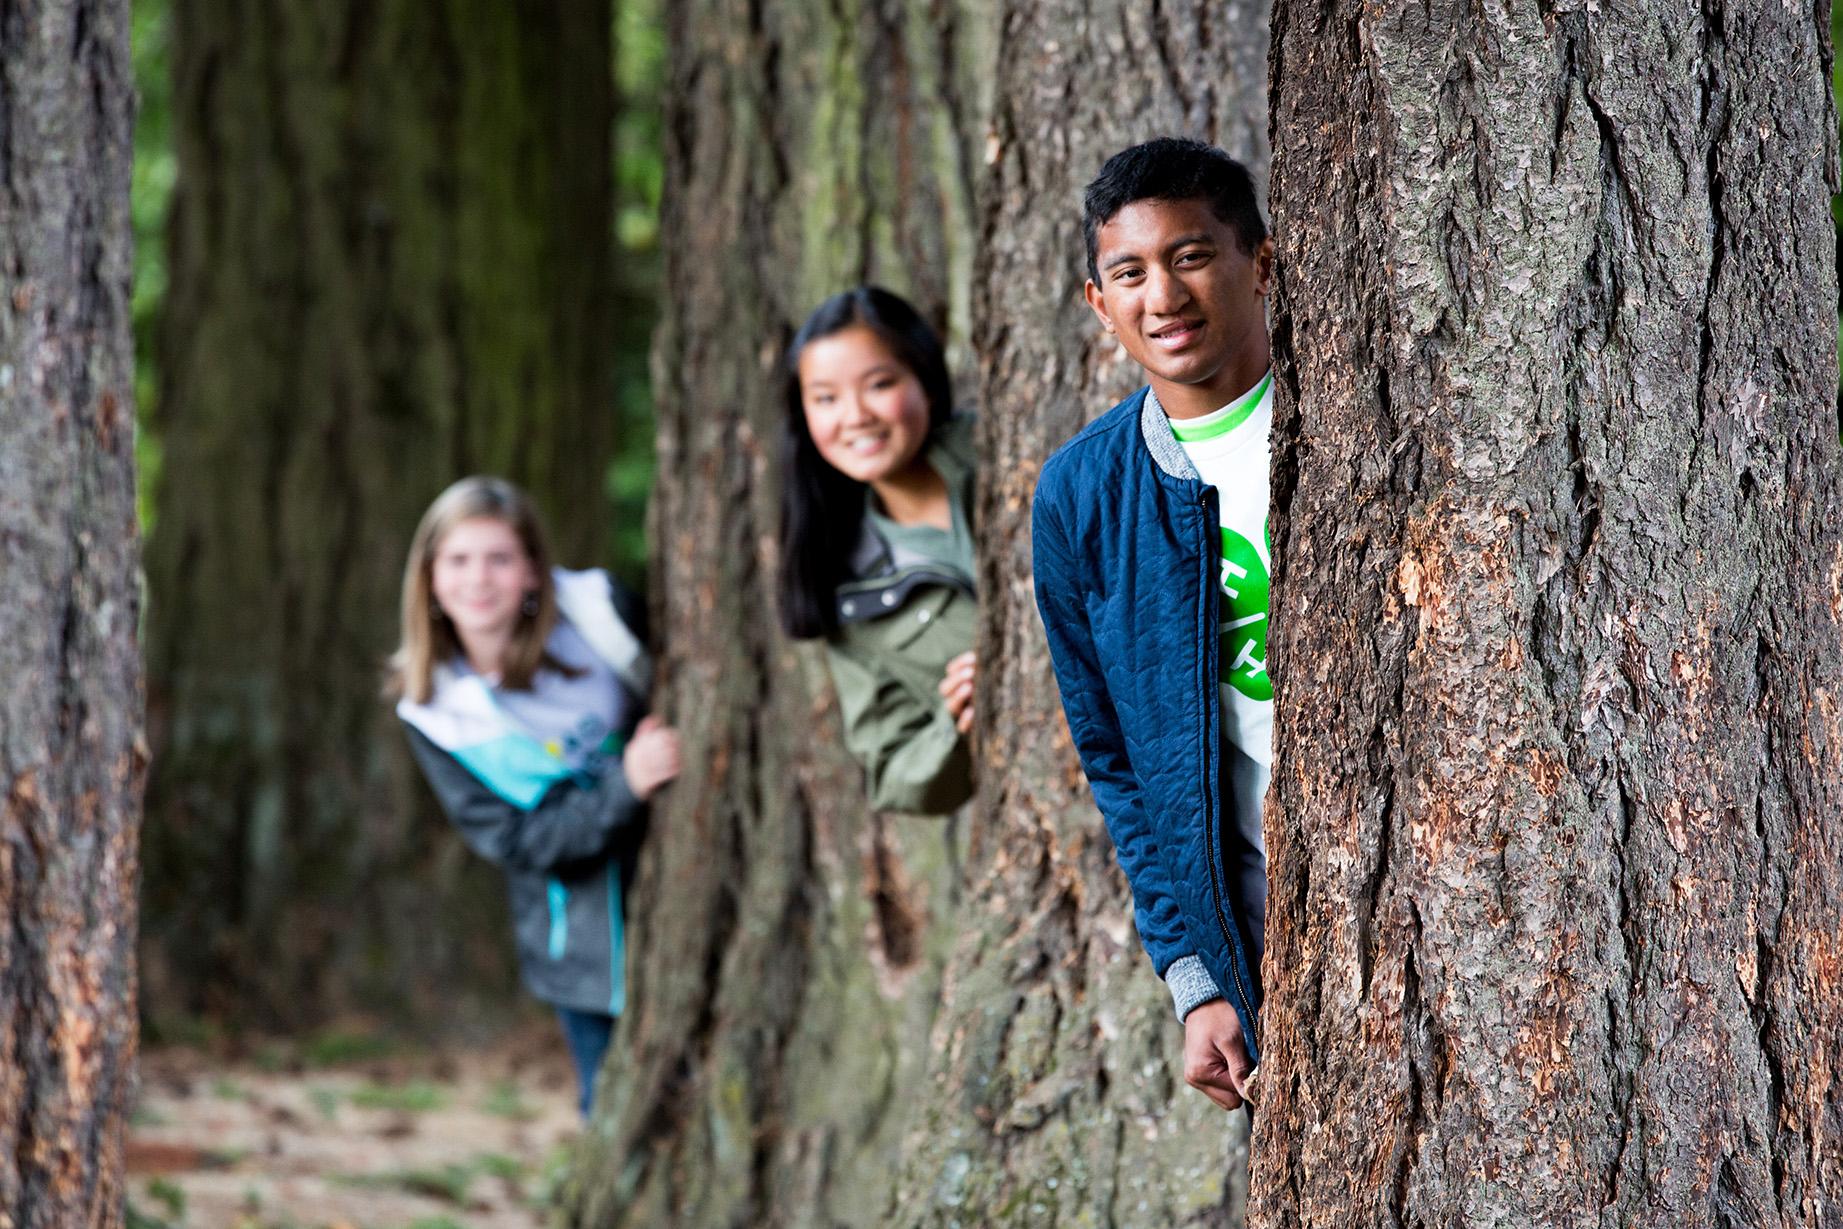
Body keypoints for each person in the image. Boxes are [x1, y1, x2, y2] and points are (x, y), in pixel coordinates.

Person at [1031, 138, 1276, 1113]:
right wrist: (1195, 976)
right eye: (1127, 272)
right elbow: (1117, 762)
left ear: (1260, 260)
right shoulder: (1084, 493)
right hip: (1259, 921)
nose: (1161, 294)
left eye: (1190, 254)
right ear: (1099, 302)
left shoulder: (1359, 415)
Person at [389, 476, 681, 1116]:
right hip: (580, 935)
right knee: (612, 1104)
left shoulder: (598, 617)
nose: (479, 579)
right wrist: (624, 785)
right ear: (430, 576)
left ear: (532, 570)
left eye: (499, 558)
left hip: (686, 880)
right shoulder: (437, 710)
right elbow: (520, 841)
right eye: (458, 560)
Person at [779, 286, 978, 815]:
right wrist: (956, 720)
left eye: (880, 384)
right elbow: (893, 772)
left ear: (927, 384)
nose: (855, 415)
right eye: (826, 398)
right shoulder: (851, 595)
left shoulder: (1007, 452)